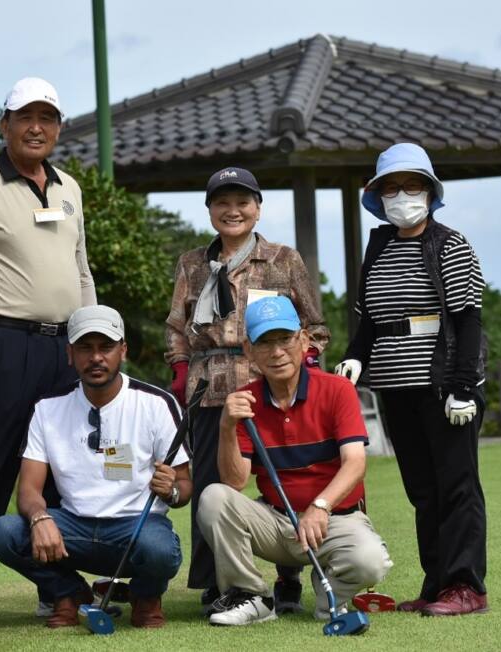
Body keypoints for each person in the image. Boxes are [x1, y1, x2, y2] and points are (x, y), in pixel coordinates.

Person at [0, 77, 97, 627]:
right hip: (3, 344)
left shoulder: (69, 188)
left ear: (57, 128)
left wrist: (94, 334)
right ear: (3, 125)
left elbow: (81, 270)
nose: (36, 127)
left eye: (47, 118)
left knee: (64, 470)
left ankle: (56, 587)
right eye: (24, 117)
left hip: (65, 347)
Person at [164, 166, 329, 615]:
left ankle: (289, 576)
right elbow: (176, 328)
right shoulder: (192, 264)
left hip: (272, 388)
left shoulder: (283, 259)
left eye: (242, 202)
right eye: (222, 203)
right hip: (208, 389)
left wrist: (303, 365)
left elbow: (313, 325)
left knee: (280, 482)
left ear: (257, 209)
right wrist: (180, 368)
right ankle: (220, 583)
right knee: (212, 485)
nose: (232, 211)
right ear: (209, 210)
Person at [335, 142, 488, 616]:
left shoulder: (451, 243)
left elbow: (467, 321)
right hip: (395, 385)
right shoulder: (378, 245)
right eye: (392, 188)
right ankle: (438, 582)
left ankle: (467, 587)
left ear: (430, 192)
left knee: (457, 485)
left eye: (412, 186)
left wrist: (463, 387)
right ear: (378, 196)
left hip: (444, 386)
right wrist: (356, 357)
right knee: (423, 490)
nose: (402, 196)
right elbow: (371, 321)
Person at [0, 305, 190, 629]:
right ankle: (71, 593)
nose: (96, 357)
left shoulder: (156, 403)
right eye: (85, 347)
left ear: (122, 351)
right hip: (73, 529)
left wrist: (173, 490)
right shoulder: (47, 408)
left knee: (160, 549)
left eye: (106, 347)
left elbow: (184, 487)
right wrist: (40, 518)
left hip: (136, 528)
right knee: (2, 533)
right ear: (70, 353)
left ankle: (144, 596)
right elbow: (28, 490)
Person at [198, 296, 392, 626]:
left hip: (334, 520)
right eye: (265, 342)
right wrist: (227, 426)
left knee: (371, 561)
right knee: (213, 497)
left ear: (303, 341)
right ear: (249, 350)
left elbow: (356, 462)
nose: (276, 352)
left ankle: (327, 594)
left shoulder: (337, 389)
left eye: (285, 339)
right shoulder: (246, 400)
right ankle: (253, 596)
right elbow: (234, 482)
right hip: (276, 523)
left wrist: (320, 506)